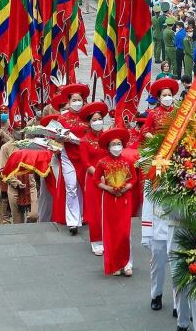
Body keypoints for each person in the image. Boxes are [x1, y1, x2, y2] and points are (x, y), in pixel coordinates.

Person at [94, 127, 137, 276]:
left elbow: (134, 179)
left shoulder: (128, 161)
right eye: (113, 144)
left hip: (125, 199)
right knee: (111, 232)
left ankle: (127, 263)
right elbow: (96, 180)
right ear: (108, 147)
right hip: (109, 199)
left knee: (125, 232)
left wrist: (125, 188)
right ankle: (115, 264)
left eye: (119, 144)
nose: (116, 147)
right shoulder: (102, 163)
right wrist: (108, 188)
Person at [57, 84, 91, 234]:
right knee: (71, 187)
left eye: (79, 100)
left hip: (84, 156)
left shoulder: (88, 117)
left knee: (83, 186)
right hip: (68, 156)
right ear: (69, 102)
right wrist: (61, 138)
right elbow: (56, 138)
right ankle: (72, 222)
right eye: (74, 100)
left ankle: (82, 215)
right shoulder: (62, 118)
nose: (77, 102)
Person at [79, 102, 109, 255]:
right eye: (94, 120)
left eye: (100, 119)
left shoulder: (108, 138)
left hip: (110, 178)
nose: (98, 122)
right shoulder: (84, 141)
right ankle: (96, 241)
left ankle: (109, 239)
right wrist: (98, 175)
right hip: (93, 179)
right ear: (89, 123)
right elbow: (86, 163)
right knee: (96, 211)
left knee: (109, 210)